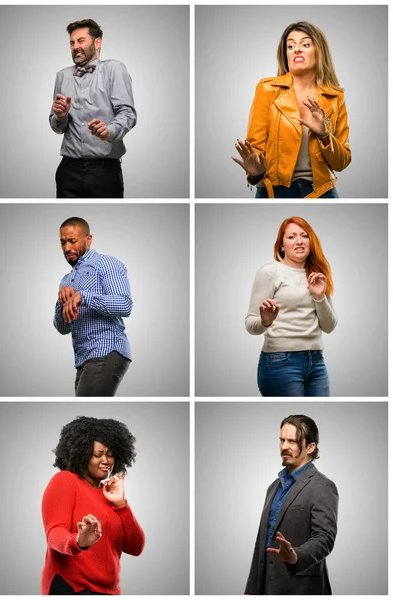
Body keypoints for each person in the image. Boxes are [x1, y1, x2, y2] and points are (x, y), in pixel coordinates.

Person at [232, 21, 351, 198]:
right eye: (290, 46)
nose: (296, 49)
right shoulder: (267, 89)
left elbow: (342, 162)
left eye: (305, 44)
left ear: (319, 51)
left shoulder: (334, 97)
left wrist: (324, 135)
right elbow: (255, 150)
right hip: (274, 191)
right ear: (285, 54)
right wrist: (256, 171)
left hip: (322, 192)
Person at [41, 416, 145, 595]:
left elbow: (136, 548)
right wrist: (78, 541)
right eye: (98, 454)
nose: (106, 460)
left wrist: (121, 505)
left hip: (109, 591)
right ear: (80, 453)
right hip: (72, 587)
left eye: (111, 454)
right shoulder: (65, 480)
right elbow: (54, 534)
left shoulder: (109, 494)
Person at [245, 415, 338, 594]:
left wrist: (295, 556)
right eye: (282, 440)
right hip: (265, 588)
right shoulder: (274, 486)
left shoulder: (323, 486)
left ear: (311, 447)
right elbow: (261, 541)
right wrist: (251, 588)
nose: (284, 447)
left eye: (292, 441)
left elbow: (324, 538)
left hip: (301, 588)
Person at [245, 216, 337, 396]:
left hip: (317, 361)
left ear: (312, 242)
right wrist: (265, 321)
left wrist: (319, 297)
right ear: (281, 245)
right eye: (291, 237)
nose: (299, 241)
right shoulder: (269, 273)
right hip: (280, 361)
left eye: (304, 236)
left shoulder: (318, 274)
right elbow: (250, 325)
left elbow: (329, 326)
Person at [50, 19, 136, 198]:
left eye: (81, 41)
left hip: (104, 171)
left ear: (97, 42)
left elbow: (128, 113)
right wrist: (60, 116)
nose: (75, 47)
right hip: (68, 170)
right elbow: (58, 128)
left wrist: (109, 131)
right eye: (72, 43)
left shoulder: (114, 69)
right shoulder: (62, 76)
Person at [54, 217, 132, 396]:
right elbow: (63, 328)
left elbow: (125, 304)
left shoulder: (106, 263)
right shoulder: (66, 280)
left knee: (87, 408)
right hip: (83, 361)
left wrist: (84, 296)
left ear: (88, 239)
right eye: (63, 242)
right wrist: (61, 303)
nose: (67, 248)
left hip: (106, 350)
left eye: (72, 241)